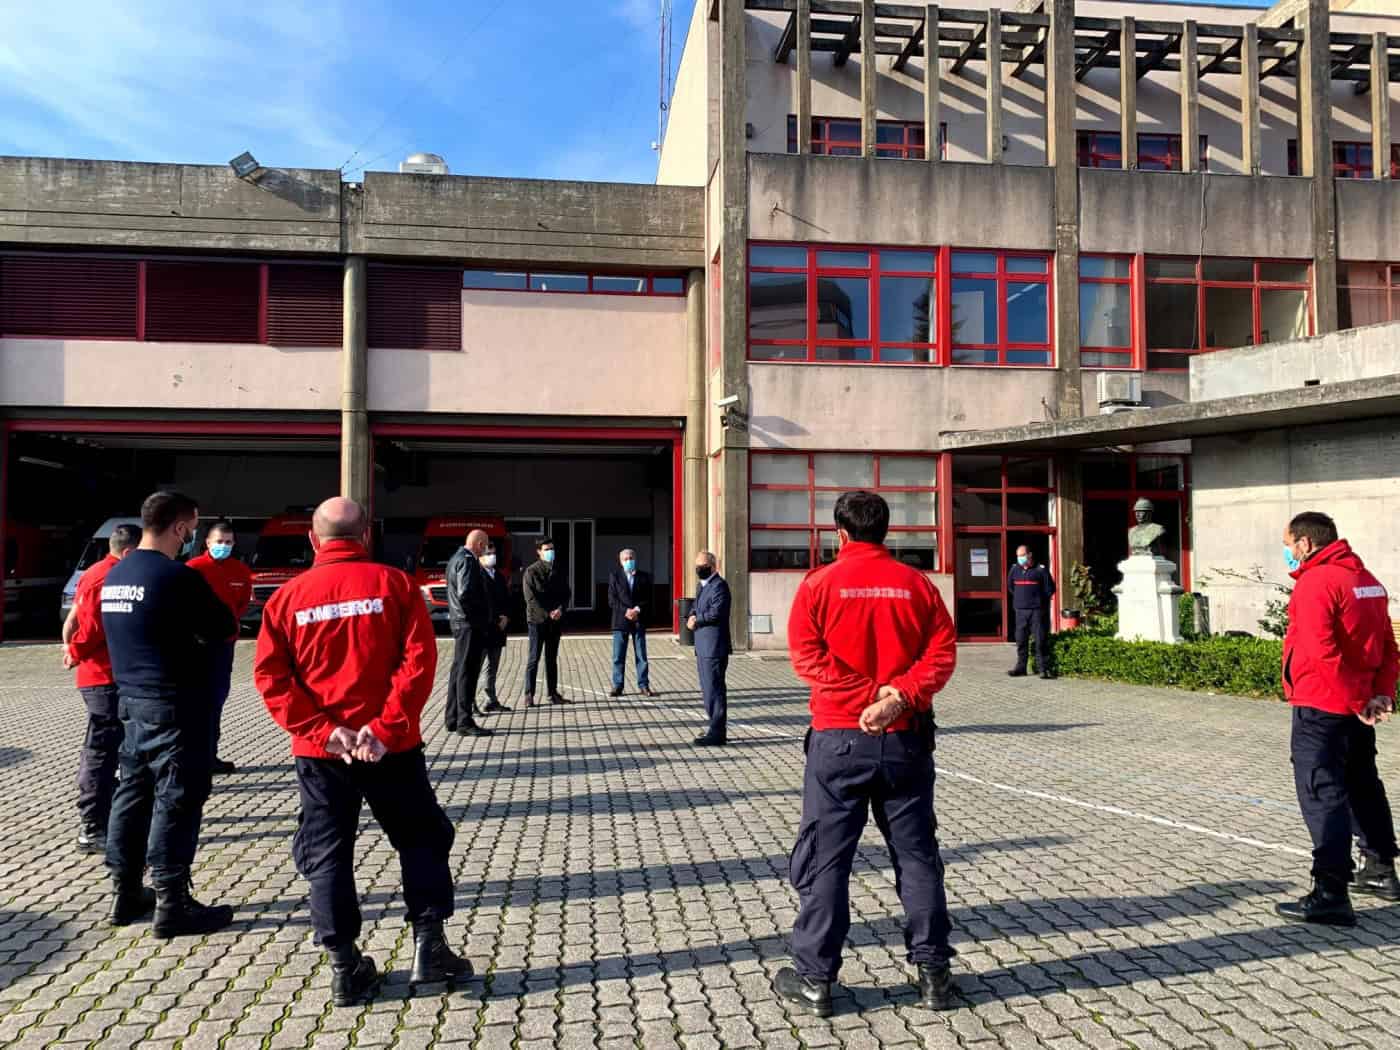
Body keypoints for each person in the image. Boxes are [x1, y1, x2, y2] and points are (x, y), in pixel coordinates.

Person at [255, 497, 469, 1005]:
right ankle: (429, 948)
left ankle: (344, 966)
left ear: (313, 539)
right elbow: (418, 662)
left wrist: (322, 730)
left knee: (327, 854)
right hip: (390, 750)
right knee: (421, 838)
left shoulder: (286, 599)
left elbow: (271, 676)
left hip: (321, 755)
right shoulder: (395, 586)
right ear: (365, 535)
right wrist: (384, 728)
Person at [776, 491, 958, 1016]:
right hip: (905, 739)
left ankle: (814, 980)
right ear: (886, 531)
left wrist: (863, 699)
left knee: (828, 858)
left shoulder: (818, 585)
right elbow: (941, 652)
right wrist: (897, 696)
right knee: (917, 856)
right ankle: (934, 977)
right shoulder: (917, 585)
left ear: (840, 533)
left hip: (839, 739)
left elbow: (807, 658)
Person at [101, 491, 237, 937]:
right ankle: (171, 903)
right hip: (175, 710)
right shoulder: (175, 577)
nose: (194, 537)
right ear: (180, 528)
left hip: (130, 706)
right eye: (193, 528)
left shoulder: (116, 576)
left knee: (131, 797)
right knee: (176, 803)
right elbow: (222, 627)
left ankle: (124, 893)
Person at [1275, 511, 1400, 927]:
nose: (1288, 553)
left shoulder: (1316, 582)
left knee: (1321, 791)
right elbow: (1388, 646)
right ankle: (1380, 869)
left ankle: (1330, 891)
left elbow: (1320, 651)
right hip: (1356, 705)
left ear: (1306, 544)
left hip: (1323, 704)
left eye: (1289, 545)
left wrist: (1356, 701)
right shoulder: (1367, 581)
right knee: (1362, 783)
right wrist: (1379, 694)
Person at [62, 523, 140, 853]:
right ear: (129, 552)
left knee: (115, 749)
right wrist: (74, 651)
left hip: (114, 675)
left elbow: (75, 618)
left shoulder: (101, 572)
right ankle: (91, 826)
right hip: (102, 678)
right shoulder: (105, 576)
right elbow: (89, 626)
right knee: (101, 751)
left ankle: (109, 813)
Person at [188, 521, 254, 773]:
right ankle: (191, 757)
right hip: (195, 646)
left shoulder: (240, 570)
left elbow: (240, 606)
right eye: (219, 542)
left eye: (228, 542)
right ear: (207, 543)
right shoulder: (193, 569)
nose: (223, 547)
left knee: (216, 701)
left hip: (223, 646)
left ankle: (209, 756)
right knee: (195, 703)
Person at [444, 529, 493, 738]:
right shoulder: (467, 561)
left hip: (459, 622)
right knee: (467, 672)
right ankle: (465, 720)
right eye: (486, 545)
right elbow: (465, 594)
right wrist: (478, 619)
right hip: (468, 624)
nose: (487, 550)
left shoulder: (455, 558)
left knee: (458, 670)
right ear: (479, 544)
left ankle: (453, 717)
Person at [687, 551, 731, 746]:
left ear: (713, 566)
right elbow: (696, 607)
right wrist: (690, 616)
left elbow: (716, 612)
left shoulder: (720, 586)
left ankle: (717, 731)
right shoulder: (702, 586)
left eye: (703, 565)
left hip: (714, 647)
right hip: (703, 646)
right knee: (707, 689)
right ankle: (713, 726)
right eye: (697, 565)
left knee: (714, 689)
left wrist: (698, 620)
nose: (699, 569)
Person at [522, 539, 571, 708]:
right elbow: (531, 599)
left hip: (555, 621)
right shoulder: (531, 572)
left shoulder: (559, 570)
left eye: (552, 548)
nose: (550, 552)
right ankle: (529, 694)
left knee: (551, 659)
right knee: (534, 658)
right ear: (539, 552)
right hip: (537, 621)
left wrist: (560, 609)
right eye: (546, 549)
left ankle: (553, 693)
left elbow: (566, 594)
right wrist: (548, 613)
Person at [608, 548, 656, 698]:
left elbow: (649, 598)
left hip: (638, 620)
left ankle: (643, 685)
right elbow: (612, 599)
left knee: (641, 655)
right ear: (621, 561)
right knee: (618, 656)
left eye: (631, 558)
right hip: (620, 621)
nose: (629, 561)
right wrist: (626, 611)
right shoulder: (615, 576)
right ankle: (618, 686)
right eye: (626, 559)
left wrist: (637, 609)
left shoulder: (645, 577)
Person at [1007, 545, 1055, 679]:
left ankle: (1043, 669)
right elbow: (1011, 587)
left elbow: (1050, 589)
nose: (1020, 558)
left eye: (1022, 555)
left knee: (1040, 640)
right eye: (1018, 556)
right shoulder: (1014, 570)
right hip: (1020, 611)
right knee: (1021, 640)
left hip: (1037, 612)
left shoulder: (1040, 570)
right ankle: (1021, 668)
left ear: (1029, 555)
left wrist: (1039, 602)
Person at [480, 542, 511, 714]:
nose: (492, 556)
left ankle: (490, 699)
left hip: (499, 629)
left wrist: (506, 616)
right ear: (480, 556)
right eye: (488, 553)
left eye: (494, 553)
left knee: (492, 666)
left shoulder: (498, 575)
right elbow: (480, 603)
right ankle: (470, 704)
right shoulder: (477, 575)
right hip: (484, 628)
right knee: (477, 667)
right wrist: (493, 619)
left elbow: (506, 599)